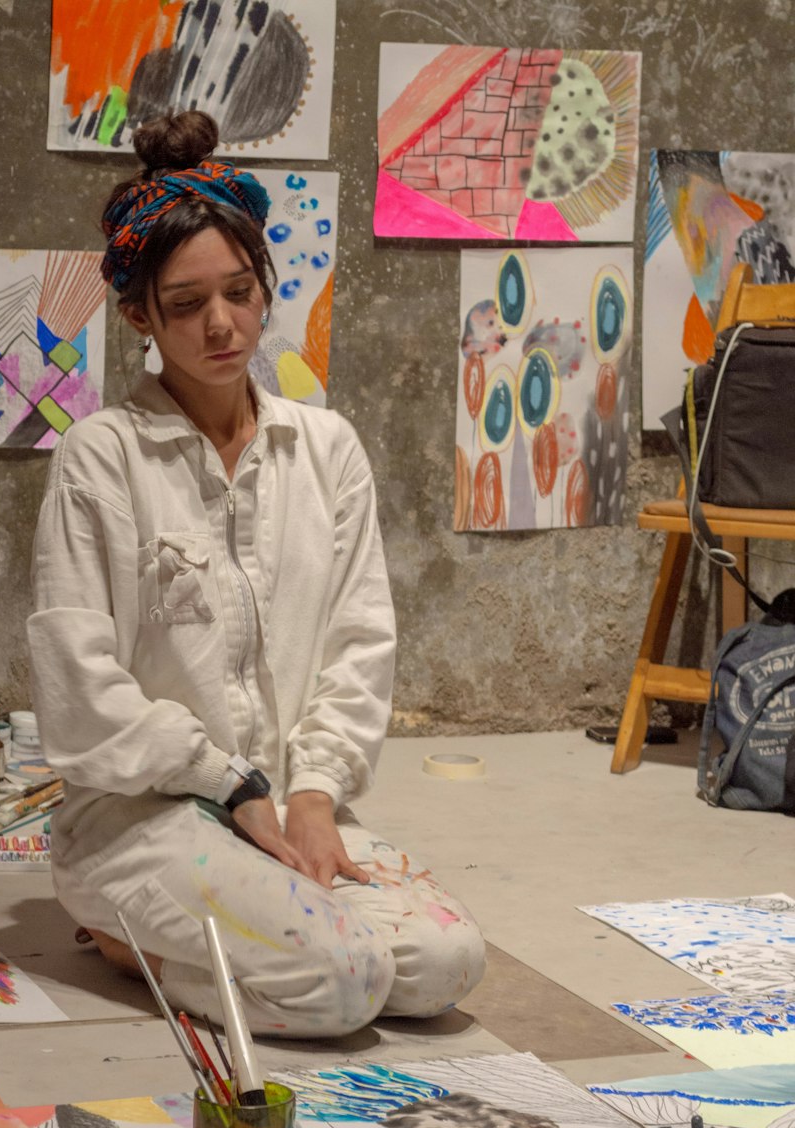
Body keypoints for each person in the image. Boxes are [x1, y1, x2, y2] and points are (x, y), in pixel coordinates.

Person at [28, 110, 485, 1039]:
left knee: (445, 965)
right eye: (188, 304)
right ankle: (121, 933)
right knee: (344, 984)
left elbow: (360, 646)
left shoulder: (324, 448)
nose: (222, 324)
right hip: (144, 821)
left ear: (266, 288)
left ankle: (258, 918)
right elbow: (81, 687)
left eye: (239, 291)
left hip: (285, 807)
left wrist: (312, 794)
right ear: (139, 315)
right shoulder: (102, 458)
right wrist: (224, 781)